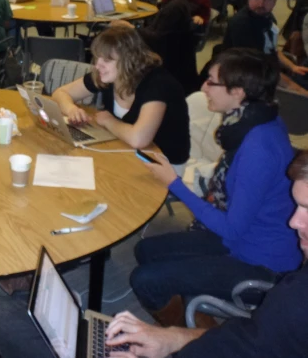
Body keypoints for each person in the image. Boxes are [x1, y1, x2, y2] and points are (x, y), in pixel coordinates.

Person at [0, 149, 308, 358]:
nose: (294, 221)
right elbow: (251, 340)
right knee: (38, 318)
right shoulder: (296, 292)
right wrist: (174, 338)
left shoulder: (298, 302)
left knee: (3, 316)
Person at [128, 48, 301, 328]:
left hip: (262, 263)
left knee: (145, 280)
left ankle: (205, 341)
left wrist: (174, 183)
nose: (203, 87)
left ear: (238, 92)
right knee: (146, 251)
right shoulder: (254, 120)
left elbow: (231, 228)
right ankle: (196, 313)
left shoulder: (258, 147)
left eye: (211, 81)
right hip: (243, 238)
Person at [52, 25, 190, 168]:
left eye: (106, 60)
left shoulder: (158, 83)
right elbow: (60, 93)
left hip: (166, 166)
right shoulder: (108, 76)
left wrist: (108, 121)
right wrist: (71, 110)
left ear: (128, 61)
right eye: (97, 57)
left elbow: (139, 139)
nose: (98, 65)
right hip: (128, 151)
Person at [220, 0, 308, 93]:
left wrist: (292, 66)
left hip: (268, 72)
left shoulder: (268, 17)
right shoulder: (241, 23)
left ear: (275, 0)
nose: (261, 4)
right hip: (247, 79)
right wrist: (297, 90)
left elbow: (272, 50)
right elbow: (256, 69)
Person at [117, 0, 197, 94]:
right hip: (174, 57)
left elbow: (157, 38)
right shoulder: (174, 1)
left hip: (171, 63)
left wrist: (130, 27)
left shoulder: (175, 6)